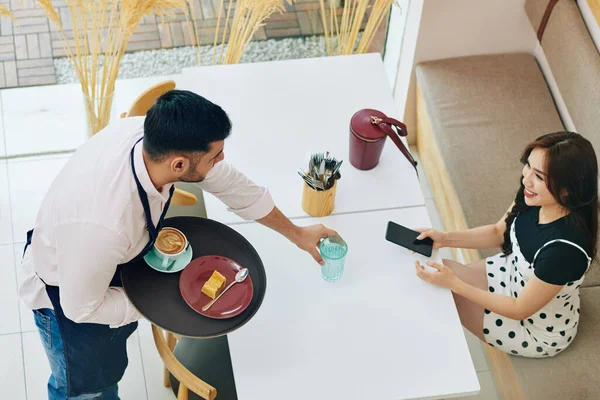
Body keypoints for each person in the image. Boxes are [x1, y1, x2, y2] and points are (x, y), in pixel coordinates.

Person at [18, 90, 340, 399]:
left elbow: (233, 186)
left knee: (106, 377)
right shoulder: (106, 225)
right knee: (84, 390)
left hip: (100, 261)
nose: (222, 159)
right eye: (215, 155)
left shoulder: (154, 139)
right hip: (66, 299)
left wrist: (297, 234)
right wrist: (162, 303)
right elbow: (81, 308)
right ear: (179, 166)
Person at [414, 132, 598, 358]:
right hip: (512, 273)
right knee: (438, 274)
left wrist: (456, 284)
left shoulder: (564, 250)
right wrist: (444, 237)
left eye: (539, 176)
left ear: (566, 189)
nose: (526, 179)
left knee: (447, 290)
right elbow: (498, 232)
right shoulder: (533, 195)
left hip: (534, 327)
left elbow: (520, 309)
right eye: (528, 166)